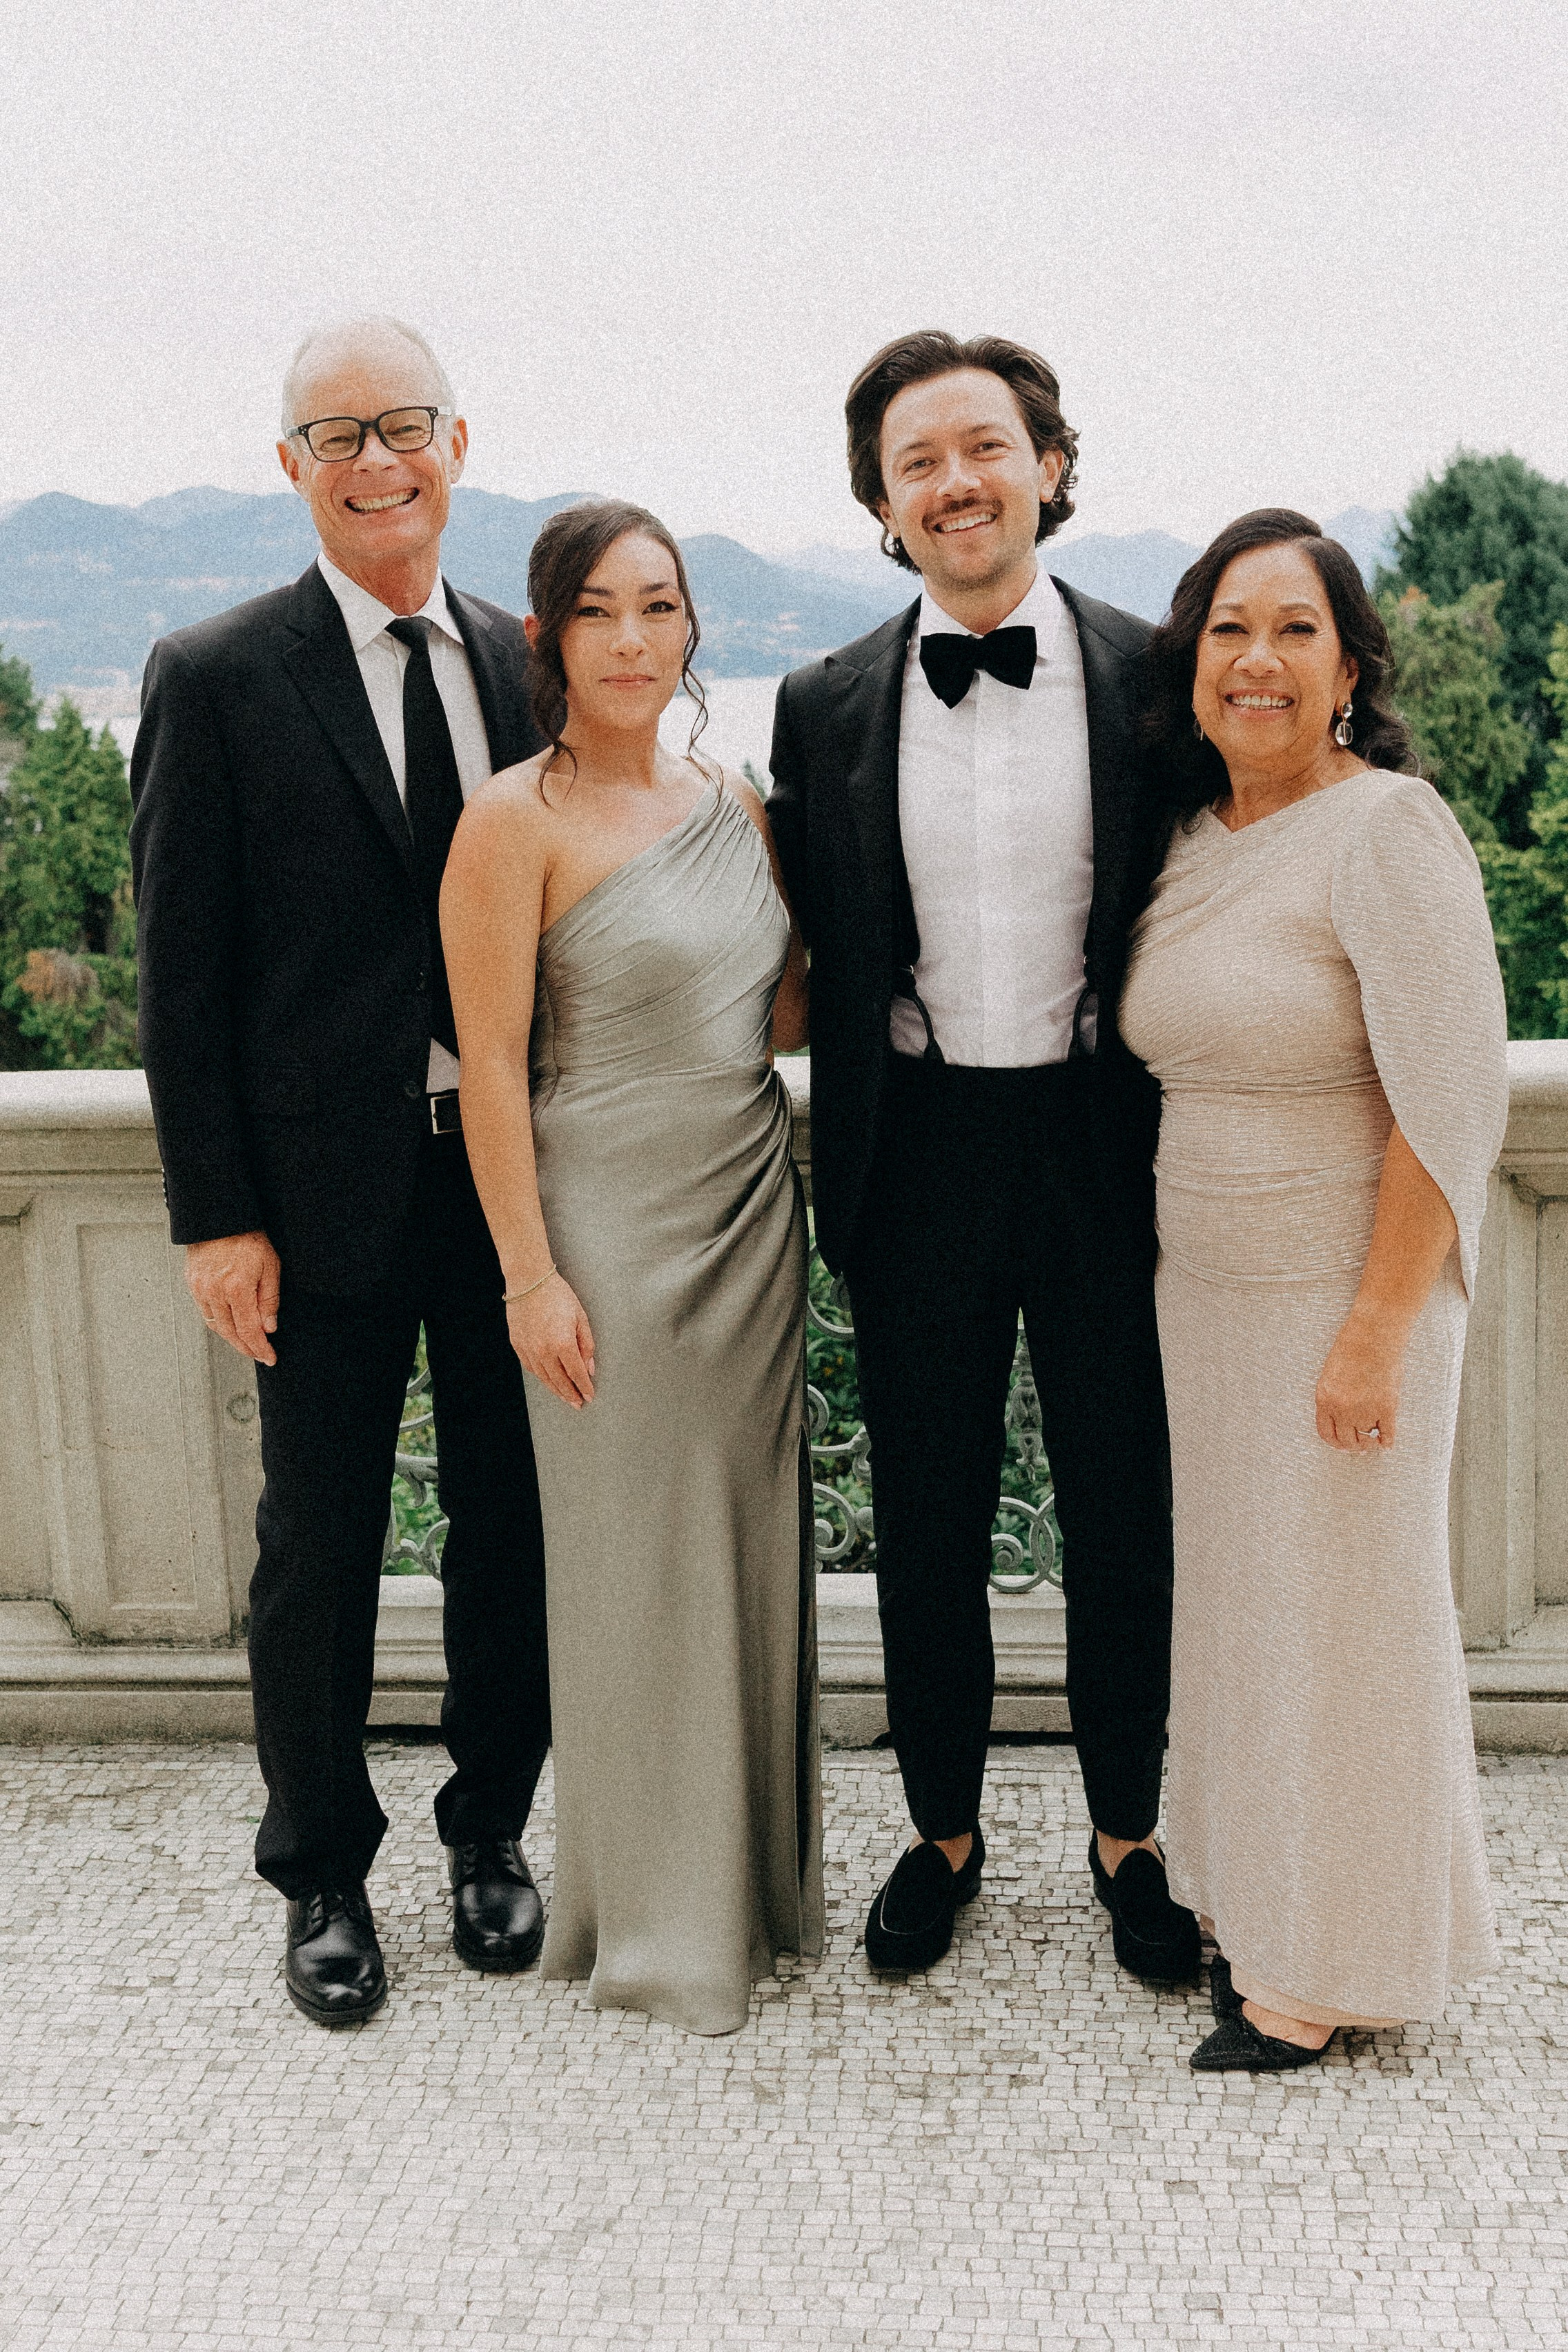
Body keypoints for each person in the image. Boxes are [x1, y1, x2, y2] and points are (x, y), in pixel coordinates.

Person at [130, 317, 552, 2026]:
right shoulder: (217, 674)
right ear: (289, 464)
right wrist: (216, 1214)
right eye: (338, 434)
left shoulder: (531, 660)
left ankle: (490, 1835)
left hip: (508, 1188)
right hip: (312, 1203)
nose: (377, 460)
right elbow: (181, 982)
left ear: (460, 440)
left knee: (509, 1529)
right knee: (319, 1543)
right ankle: (318, 1870)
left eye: (405, 425)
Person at [767, 331, 1198, 1983]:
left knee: (1120, 1509)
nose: (953, 481)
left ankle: (1129, 1835)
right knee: (927, 1514)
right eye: (914, 462)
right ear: (880, 503)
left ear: (1048, 466)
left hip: (1105, 1149)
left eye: (981, 448)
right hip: (918, 1151)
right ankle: (940, 1831)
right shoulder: (821, 705)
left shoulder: (1152, 676)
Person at [1120, 509, 1508, 2070]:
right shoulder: (1196, 834)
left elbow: (1448, 1100)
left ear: (1347, 662)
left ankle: (1330, 1969)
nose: (1256, 660)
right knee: (1244, 1619)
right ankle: (1247, 1896)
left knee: (1346, 1629)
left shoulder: (1387, 831)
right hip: (1202, 1297)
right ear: (1192, 662)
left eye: (1292, 629)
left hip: (1339, 1304)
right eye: (1226, 629)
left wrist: (1371, 1330)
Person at [442, 499, 824, 2037]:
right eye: (596, 611)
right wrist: (529, 1274)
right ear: (548, 637)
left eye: (657, 608)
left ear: (688, 629)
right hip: (603, 1224)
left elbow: (780, 1011)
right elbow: (484, 1064)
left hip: (746, 1210)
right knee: (629, 1566)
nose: (630, 639)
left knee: (741, 1547)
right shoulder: (509, 820)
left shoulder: (734, 798)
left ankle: (752, 1891)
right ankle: (660, 1923)